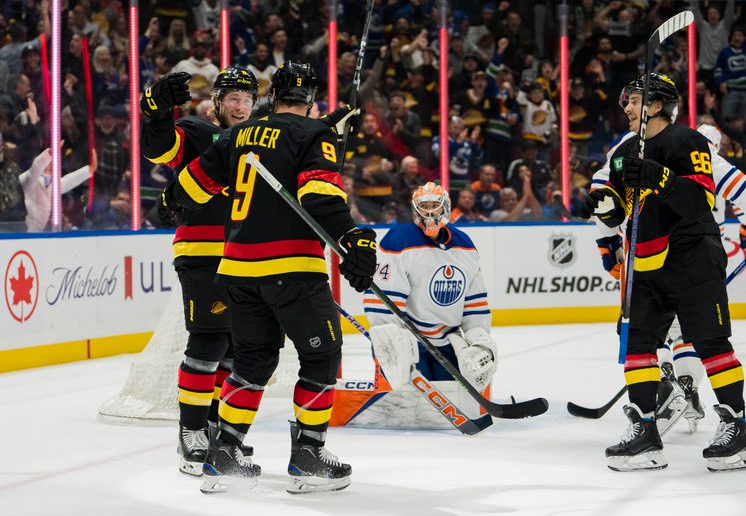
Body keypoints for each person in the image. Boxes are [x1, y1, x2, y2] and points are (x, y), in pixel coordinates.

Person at [166, 61, 373, 494]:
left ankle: (223, 454)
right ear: (312, 99)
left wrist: (170, 195)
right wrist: (352, 238)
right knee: (321, 357)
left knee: (252, 362)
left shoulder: (239, 135)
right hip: (292, 268)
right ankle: (308, 455)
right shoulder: (315, 133)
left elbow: (193, 187)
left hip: (238, 271)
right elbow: (320, 194)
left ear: (271, 96)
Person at [583, 73, 746, 472]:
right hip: (646, 260)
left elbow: (696, 203)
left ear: (656, 106)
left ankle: (736, 430)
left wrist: (660, 179)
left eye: (635, 100)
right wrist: (606, 222)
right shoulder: (623, 151)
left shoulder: (687, 141)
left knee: (709, 342)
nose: (626, 107)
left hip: (693, 254)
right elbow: (614, 203)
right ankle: (644, 432)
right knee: (638, 346)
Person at [140, 65, 258, 477]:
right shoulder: (195, 131)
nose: (240, 106)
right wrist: (156, 111)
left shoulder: (260, 142)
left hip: (245, 256)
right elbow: (158, 149)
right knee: (208, 342)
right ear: (217, 103)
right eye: (233, 99)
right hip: (204, 252)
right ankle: (190, 432)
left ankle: (210, 426)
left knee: (232, 349)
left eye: (247, 100)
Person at [338, 182, 496, 427]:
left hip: (446, 343)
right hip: (409, 342)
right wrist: (391, 341)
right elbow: (384, 303)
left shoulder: (465, 246)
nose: (430, 213)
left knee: (456, 397)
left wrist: (479, 340)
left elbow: (474, 303)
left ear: (446, 207)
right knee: (403, 405)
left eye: (435, 206)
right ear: (414, 209)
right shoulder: (399, 240)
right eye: (424, 206)